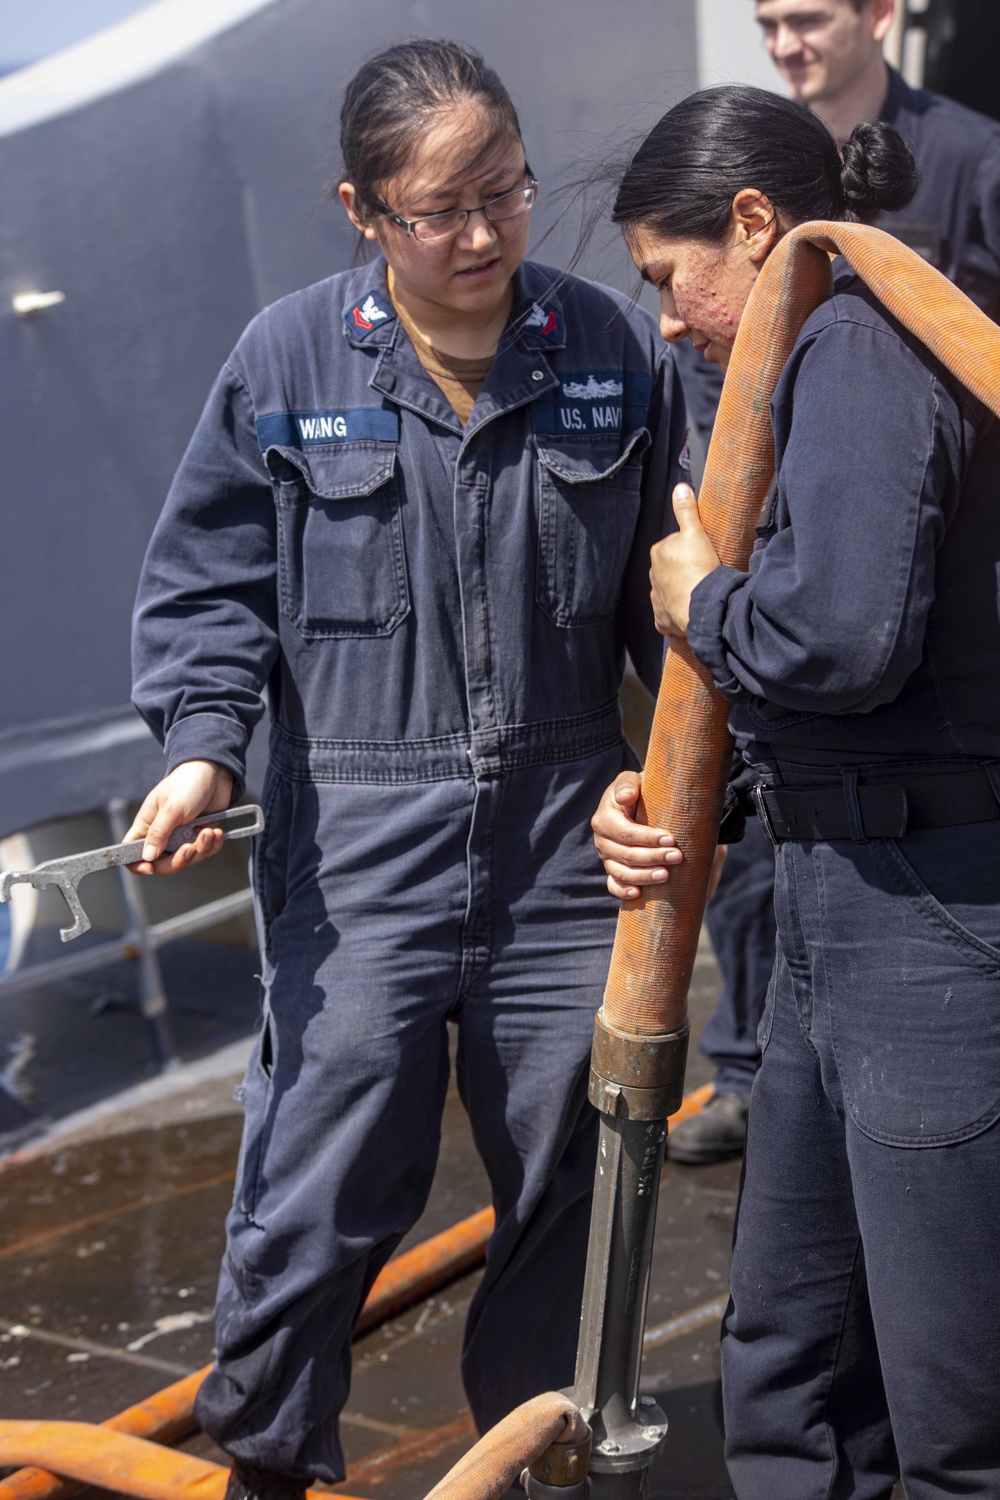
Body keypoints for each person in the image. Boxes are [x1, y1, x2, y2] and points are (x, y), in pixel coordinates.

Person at [126, 38, 687, 1500]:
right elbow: (208, 588)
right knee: (318, 1176)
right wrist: (199, 750)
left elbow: (674, 609)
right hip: (359, 842)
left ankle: (534, 1459)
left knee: (575, 1172)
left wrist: (691, 783)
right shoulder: (287, 361)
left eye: (504, 190)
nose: (487, 234)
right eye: (442, 209)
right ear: (361, 210)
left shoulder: (609, 352)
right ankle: (266, 1466)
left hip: (565, 841)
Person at [592, 83, 1000, 1494]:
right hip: (842, 911)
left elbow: (843, 639)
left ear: (753, 223)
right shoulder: (828, 346)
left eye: (668, 273)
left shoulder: (865, 345)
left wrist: (704, 603)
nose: (663, 315)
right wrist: (691, 801)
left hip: (928, 921)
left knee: (956, 1400)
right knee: (792, 1353)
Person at [666, 0, 1000, 1167]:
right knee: (790, 1321)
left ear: (881, 14)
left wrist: (710, 602)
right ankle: (746, 1067)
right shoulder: (761, 260)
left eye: (806, 16)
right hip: (796, 729)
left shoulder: (956, 178)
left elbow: (852, 625)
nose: (784, 41)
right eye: (764, 22)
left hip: (919, 763)